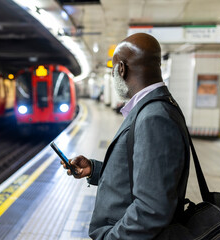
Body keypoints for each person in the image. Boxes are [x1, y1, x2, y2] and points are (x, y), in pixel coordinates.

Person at [61, 33, 190, 239]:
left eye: (113, 70)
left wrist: (110, 238)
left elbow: (152, 209)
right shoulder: (155, 108)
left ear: (121, 68)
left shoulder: (154, 117)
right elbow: (144, 176)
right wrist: (94, 170)